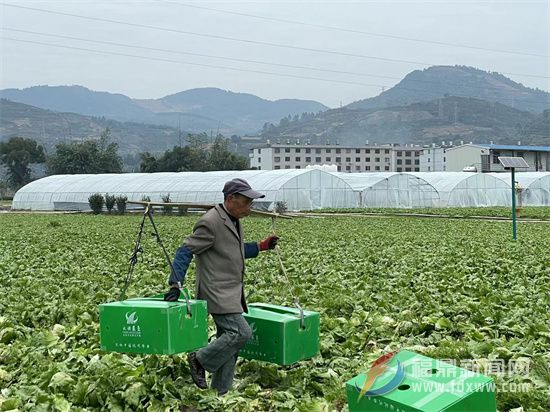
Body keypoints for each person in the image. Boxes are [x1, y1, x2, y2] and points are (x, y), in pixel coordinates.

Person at [164, 178, 279, 395]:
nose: (249, 207)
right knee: (241, 333)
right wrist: (175, 284)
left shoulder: (233, 219)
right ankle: (199, 359)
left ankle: (220, 393)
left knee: (230, 345)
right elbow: (185, 251)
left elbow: (232, 249)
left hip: (232, 292)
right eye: (246, 202)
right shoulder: (210, 222)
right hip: (216, 292)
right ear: (230, 199)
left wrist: (262, 247)